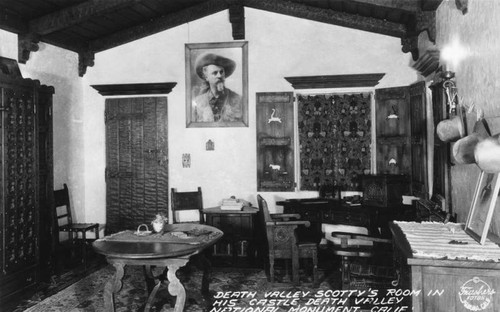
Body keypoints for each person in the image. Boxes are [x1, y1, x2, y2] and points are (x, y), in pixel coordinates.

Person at [192, 53, 242, 122]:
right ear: (206, 77)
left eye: (221, 72)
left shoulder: (238, 99)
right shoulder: (198, 102)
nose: (219, 76)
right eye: (215, 73)